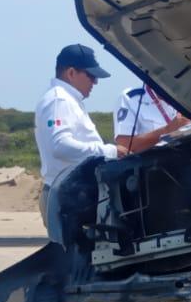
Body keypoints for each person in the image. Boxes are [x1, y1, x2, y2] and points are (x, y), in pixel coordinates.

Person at [34, 43, 125, 243]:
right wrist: (108, 151)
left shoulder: (68, 100)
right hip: (67, 196)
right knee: (73, 263)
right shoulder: (60, 100)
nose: (95, 82)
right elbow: (60, 145)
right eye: (91, 76)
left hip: (73, 193)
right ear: (71, 72)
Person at [113, 82, 191, 154]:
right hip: (158, 164)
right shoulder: (130, 98)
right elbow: (124, 145)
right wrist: (168, 130)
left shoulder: (190, 96)